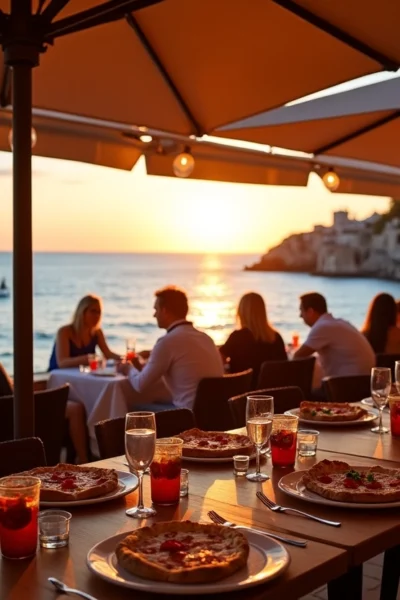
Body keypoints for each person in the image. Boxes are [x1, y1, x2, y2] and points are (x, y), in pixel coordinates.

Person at [119, 286, 224, 410]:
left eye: (156, 309)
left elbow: (140, 385)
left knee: (130, 409)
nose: (154, 315)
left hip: (187, 417)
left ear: (165, 311)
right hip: (215, 413)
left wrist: (127, 368)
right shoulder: (206, 338)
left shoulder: (167, 342)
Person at [0, 361, 88, 464]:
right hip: (37, 448)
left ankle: (82, 459)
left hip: (10, 450)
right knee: (75, 408)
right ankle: (83, 459)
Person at [294, 292, 375, 380]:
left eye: (301, 311)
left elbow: (297, 357)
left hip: (347, 385)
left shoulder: (322, 326)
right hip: (364, 380)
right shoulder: (339, 323)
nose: (300, 315)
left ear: (310, 311)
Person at [220, 292, 287, 384]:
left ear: (241, 312)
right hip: (270, 393)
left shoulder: (237, 337)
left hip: (242, 393)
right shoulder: (276, 337)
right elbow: (284, 367)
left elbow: (218, 360)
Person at [48, 294, 120, 370]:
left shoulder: (96, 332)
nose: (97, 316)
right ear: (82, 312)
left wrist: (125, 358)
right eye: (93, 311)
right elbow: (62, 363)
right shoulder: (64, 332)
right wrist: (86, 359)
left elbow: (108, 354)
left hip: (80, 375)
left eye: (99, 312)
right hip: (58, 375)